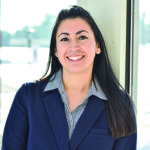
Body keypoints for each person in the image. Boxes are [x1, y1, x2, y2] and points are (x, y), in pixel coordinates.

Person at [2, 5, 137, 150]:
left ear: (98, 45)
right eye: (65, 39)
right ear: (55, 49)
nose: (74, 46)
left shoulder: (121, 104)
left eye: (82, 37)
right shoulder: (28, 97)